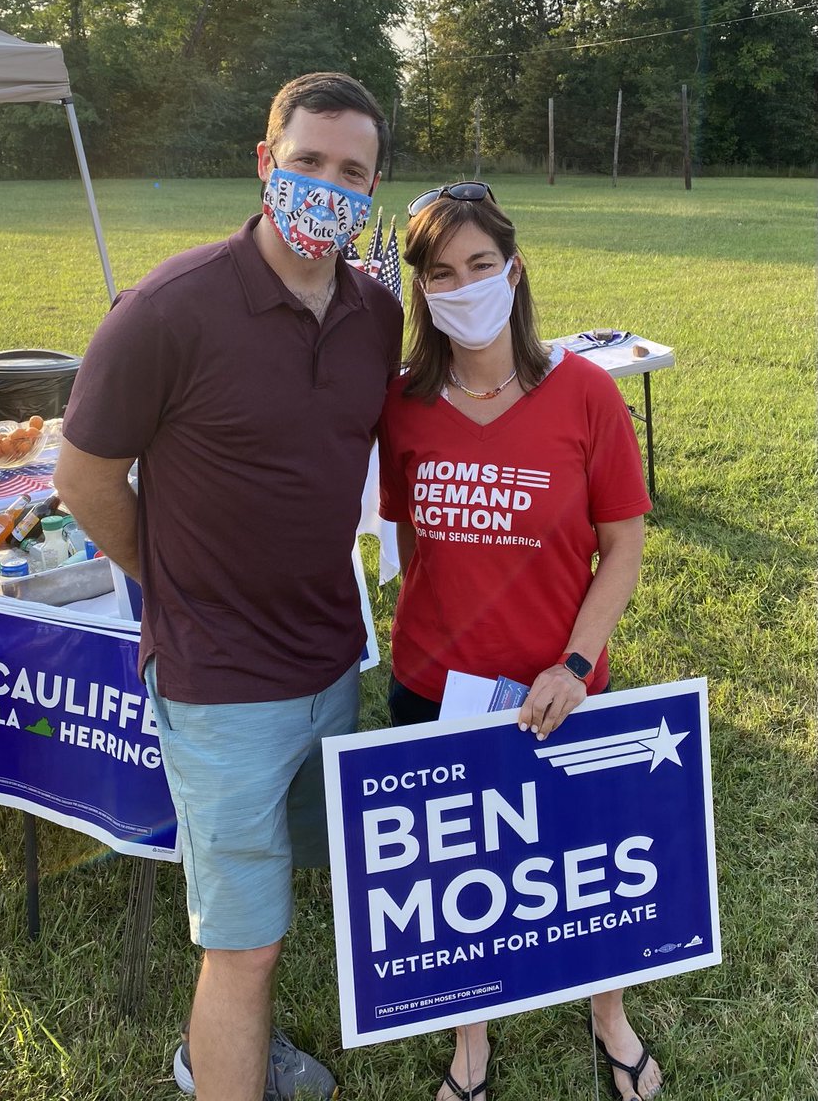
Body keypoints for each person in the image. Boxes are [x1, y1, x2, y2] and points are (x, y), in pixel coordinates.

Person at [54, 72, 403, 1101]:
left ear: (373, 191)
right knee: (242, 945)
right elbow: (82, 478)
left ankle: (230, 1050)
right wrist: (172, 584)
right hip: (221, 685)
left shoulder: (376, 315)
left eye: (352, 173)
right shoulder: (167, 309)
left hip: (330, 661)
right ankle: (224, 1073)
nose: (326, 189)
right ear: (265, 163)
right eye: (307, 163)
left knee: (283, 899)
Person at [377, 182, 662, 1101]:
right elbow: (413, 539)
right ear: (421, 290)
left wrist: (576, 662)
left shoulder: (582, 393)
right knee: (456, 875)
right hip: (431, 684)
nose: (462, 287)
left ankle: (609, 1016)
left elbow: (622, 543)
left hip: (563, 686)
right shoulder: (403, 406)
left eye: (479, 266)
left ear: (514, 270)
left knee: (583, 864)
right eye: (440, 273)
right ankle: (472, 1041)